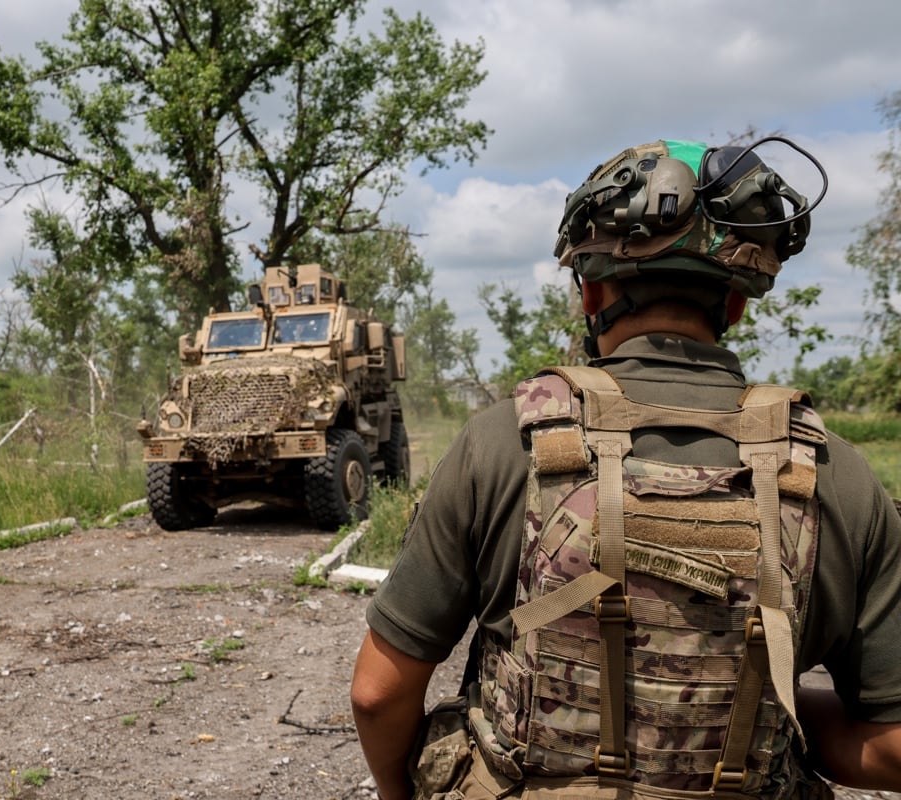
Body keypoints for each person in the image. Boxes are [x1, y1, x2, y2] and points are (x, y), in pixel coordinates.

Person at [350, 138, 901, 800]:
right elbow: (892, 751)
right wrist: (771, 710)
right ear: (735, 305)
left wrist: (394, 792)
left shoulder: (500, 444)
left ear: (591, 293)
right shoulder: (834, 474)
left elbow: (379, 695)